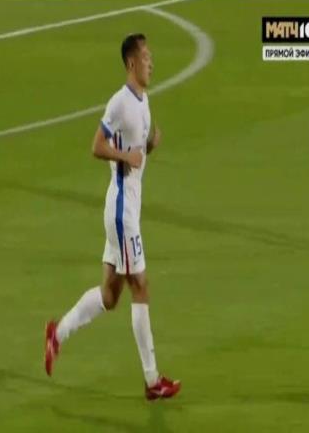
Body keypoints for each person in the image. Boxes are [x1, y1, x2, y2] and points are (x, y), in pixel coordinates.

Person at [44, 33, 181, 400]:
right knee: (141, 286)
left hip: (124, 209)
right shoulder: (120, 102)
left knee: (109, 295)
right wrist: (126, 157)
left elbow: (135, 150)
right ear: (131, 63)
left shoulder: (144, 100)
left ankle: (57, 333)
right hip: (122, 213)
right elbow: (97, 146)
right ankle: (152, 381)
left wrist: (148, 147)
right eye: (146, 57)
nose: (152, 63)